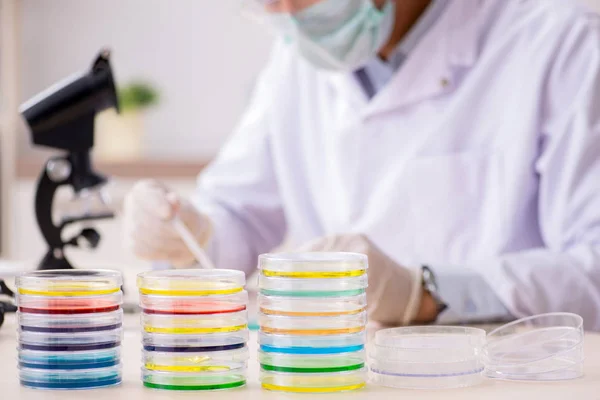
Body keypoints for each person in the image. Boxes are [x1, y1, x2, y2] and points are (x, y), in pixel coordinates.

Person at [123, 0, 600, 329]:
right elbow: (239, 213)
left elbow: (592, 269)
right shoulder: (297, 58)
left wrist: (426, 294)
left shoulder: (561, 40)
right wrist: (192, 232)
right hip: (343, 375)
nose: (287, 14)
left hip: (509, 377)